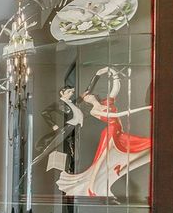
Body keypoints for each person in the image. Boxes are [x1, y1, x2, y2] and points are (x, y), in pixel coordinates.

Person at [55, 67, 151, 198]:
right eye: (86, 97)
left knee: (146, 146)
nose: (87, 96)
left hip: (118, 132)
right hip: (110, 133)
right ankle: (92, 188)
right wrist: (144, 108)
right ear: (87, 102)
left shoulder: (107, 101)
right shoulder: (94, 111)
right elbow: (118, 115)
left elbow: (116, 88)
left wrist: (112, 73)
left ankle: (105, 179)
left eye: (89, 95)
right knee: (100, 162)